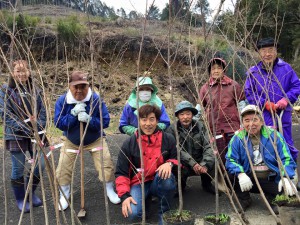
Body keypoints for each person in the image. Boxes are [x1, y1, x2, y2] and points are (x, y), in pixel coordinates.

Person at [54, 71, 120, 211]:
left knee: (105, 163)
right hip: (71, 141)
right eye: (75, 87)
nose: (79, 90)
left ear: (87, 86)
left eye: (82, 86)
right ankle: (64, 194)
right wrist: (72, 115)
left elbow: (105, 122)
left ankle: (109, 189)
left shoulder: (95, 100)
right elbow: (58, 123)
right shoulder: (63, 101)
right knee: (63, 167)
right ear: (69, 86)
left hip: (95, 139)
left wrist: (90, 120)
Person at [244, 37, 300, 189]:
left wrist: (285, 100)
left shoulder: (286, 68)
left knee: (286, 142)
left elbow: (296, 86)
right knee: (268, 143)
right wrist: (264, 103)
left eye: (270, 50)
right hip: (264, 114)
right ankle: (273, 176)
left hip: (283, 113)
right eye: (263, 51)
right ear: (259, 53)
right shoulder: (254, 72)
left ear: (276, 52)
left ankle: (291, 176)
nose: (267, 54)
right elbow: (249, 92)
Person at [225, 105, 297, 213]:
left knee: (287, 192)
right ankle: (244, 198)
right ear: (242, 123)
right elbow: (230, 159)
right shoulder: (238, 138)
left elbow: (287, 158)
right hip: (249, 177)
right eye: (246, 120)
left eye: (255, 119)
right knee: (229, 176)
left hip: (270, 178)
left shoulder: (274, 136)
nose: (251, 124)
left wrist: (286, 176)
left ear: (262, 121)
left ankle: (272, 197)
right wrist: (241, 174)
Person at [115, 104, 177, 225]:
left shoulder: (168, 139)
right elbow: (121, 172)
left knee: (167, 179)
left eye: (151, 119)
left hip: (158, 180)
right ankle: (145, 201)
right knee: (133, 213)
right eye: (144, 119)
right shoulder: (130, 143)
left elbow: (176, 158)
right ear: (138, 121)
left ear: (157, 120)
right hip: (138, 182)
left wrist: (169, 163)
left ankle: (164, 213)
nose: (148, 123)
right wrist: (124, 196)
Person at [0, 60, 47, 212]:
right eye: (18, 71)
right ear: (12, 73)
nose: (21, 74)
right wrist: (25, 128)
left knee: (40, 164)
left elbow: (43, 111)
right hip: (15, 134)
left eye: (24, 70)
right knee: (18, 168)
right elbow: (5, 114)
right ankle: (21, 198)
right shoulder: (6, 91)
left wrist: (38, 125)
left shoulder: (35, 90)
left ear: (29, 72)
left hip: (35, 134)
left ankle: (30, 193)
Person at [199, 57, 245, 164]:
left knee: (234, 156)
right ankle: (223, 179)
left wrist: (243, 124)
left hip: (232, 128)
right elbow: (200, 107)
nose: (216, 71)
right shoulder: (205, 88)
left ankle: (235, 179)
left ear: (224, 70)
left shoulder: (233, 85)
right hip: (214, 129)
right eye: (213, 68)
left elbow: (242, 105)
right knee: (220, 158)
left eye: (219, 68)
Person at [166, 101, 215, 194]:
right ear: (177, 116)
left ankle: (206, 183)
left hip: (200, 160)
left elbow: (208, 145)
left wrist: (205, 164)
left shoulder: (201, 126)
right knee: (174, 165)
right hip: (183, 162)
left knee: (214, 161)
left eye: (188, 114)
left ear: (192, 115)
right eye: (182, 114)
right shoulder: (171, 130)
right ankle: (180, 185)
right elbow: (176, 150)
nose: (185, 117)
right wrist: (192, 163)